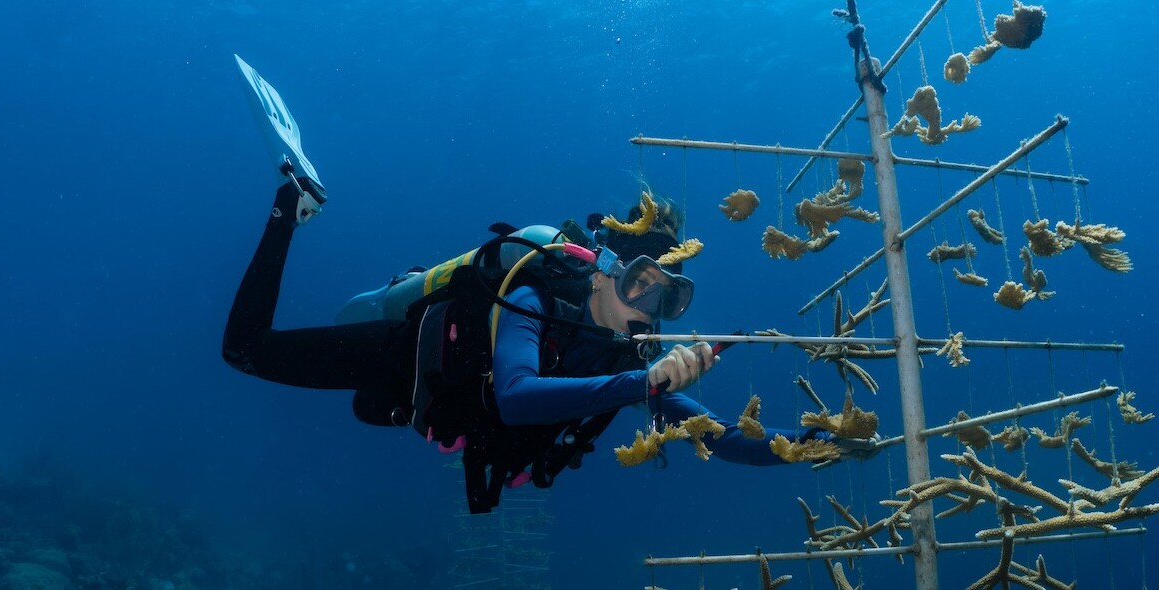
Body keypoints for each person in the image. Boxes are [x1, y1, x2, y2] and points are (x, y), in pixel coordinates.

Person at [222, 59, 876, 513]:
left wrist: (813, 448)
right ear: (607, 267)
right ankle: (293, 197)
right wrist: (642, 385)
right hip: (409, 353)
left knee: (367, 408)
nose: (649, 311)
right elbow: (514, 394)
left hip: (430, 407)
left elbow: (720, 437)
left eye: (668, 298)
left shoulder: (622, 359)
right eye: (643, 284)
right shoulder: (540, 292)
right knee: (246, 351)